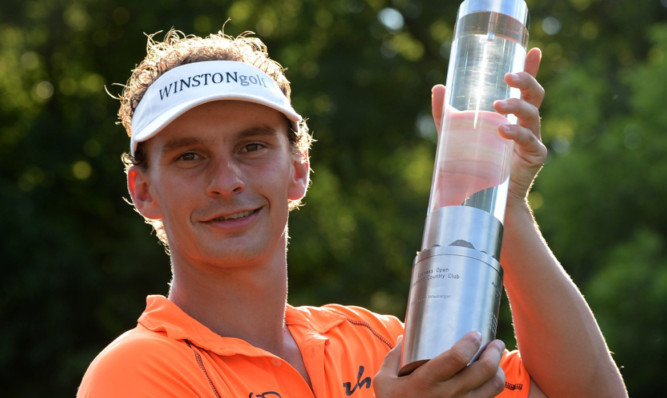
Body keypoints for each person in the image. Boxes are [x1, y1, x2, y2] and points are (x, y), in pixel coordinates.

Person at [77, 28, 627, 397]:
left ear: (298, 169)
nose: (228, 182)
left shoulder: (373, 339)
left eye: (252, 147)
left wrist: (501, 200)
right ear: (143, 190)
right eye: (190, 156)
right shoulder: (134, 373)